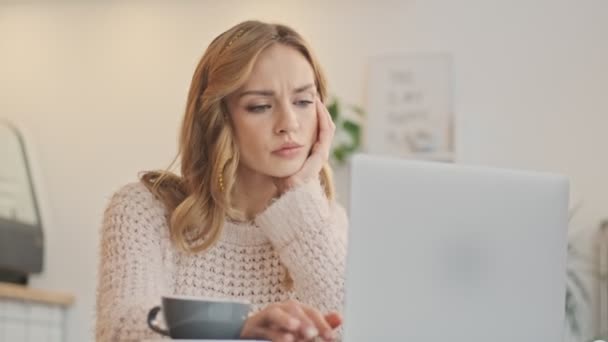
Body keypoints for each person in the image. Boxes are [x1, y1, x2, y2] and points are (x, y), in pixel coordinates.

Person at [95, 19, 348, 342]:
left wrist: (297, 193)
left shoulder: (326, 224)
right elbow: (121, 328)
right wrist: (237, 329)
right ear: (219, 118)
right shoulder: (145, 209)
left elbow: (359, 331)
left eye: (303, 101)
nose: (289, 123)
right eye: (260, 106)